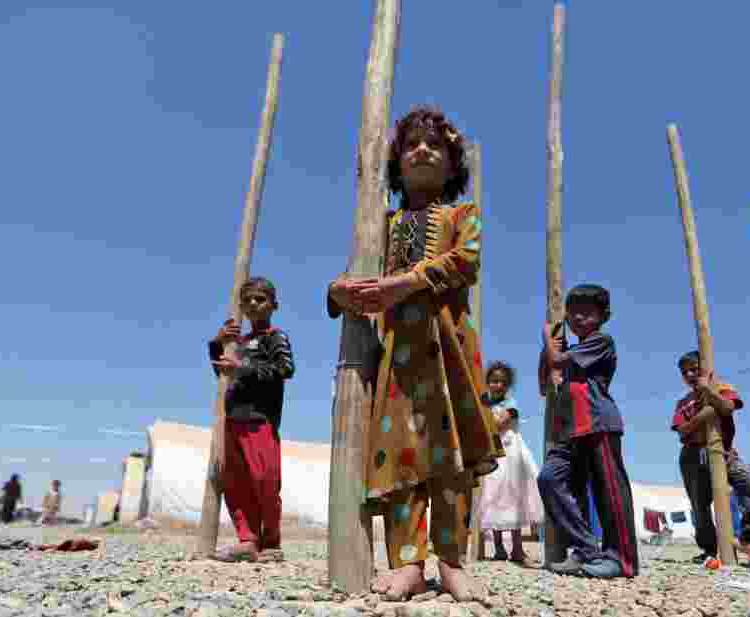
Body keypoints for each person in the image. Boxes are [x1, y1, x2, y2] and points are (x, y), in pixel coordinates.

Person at [327, 105, 504, 601]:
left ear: (452, 164)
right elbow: (359, 275)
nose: (422, 150)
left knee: (451, 462)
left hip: (450, 352)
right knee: (400, 460)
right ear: (396, 162)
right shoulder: (381, 224)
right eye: (411, 144)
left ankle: (451, 563)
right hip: (399, 360)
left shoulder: (461, 216)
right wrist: (340, 291)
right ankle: (406, 563)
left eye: (434, 144)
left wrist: (403, 283)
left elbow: (465, 261)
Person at [536, 284, 640, 579]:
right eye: (573, 311)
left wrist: (548, 339)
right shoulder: (568, 351)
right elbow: (545, 385)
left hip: (598, 424)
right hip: (570, 432)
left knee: (610, 493)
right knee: (550, 479)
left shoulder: (601, 341)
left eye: (588, 312)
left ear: (603, 315)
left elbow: (557, 362)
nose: (579, 317)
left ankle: (621, 559)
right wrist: (549, 348)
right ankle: (587, 549)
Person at [208, 276, 296, 562]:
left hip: (260, 419)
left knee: (264, 479)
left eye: (260, 299)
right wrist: (217, 343)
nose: (253, 304)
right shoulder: (238, 342)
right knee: (236, 482)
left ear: (274, 305)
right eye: (247, 300)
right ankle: (247, 539)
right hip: (233, 419)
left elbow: (285, 369)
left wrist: (243, 367)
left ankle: (271, 542)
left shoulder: (275, 337)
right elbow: (222, 373)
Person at [671, 351, 750, 569]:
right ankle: (709, 550)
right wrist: (706, 414)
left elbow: (727, 407)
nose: (689, 374)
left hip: (723, 452)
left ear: (706, 369)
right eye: (684, 372)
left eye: (694, 369)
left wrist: (709, 392)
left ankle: (748, 540)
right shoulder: (683, 403)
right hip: (693, 455)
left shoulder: (723, 389)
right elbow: (683, 431)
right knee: (700, 505)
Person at [473, 361, 545, 563]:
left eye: (502, 382)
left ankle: (517, 548)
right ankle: (498, 548)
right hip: (492, 455)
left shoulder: (510, 406)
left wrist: (482, 417)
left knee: (514, 496)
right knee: (493, 496)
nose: (498, 385)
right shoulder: (485, 404)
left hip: (510, 455)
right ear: (488, 382)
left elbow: (496, 424)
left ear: (507, 385)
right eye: (494, 381)